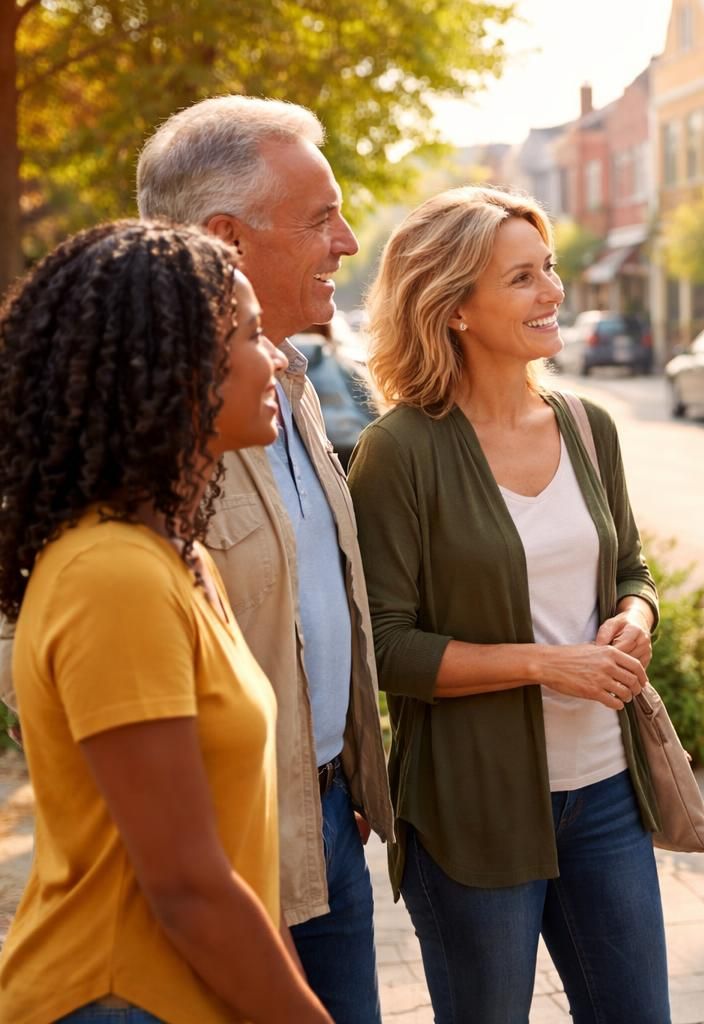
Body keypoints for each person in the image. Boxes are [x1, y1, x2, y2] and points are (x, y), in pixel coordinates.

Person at [347, 185, 669, 1022]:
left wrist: (635, 618)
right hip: (472, 809)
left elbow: (631, 569)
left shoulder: (588, 426)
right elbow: (384, 648)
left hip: (606, 792)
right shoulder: (398, 451)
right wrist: (546, 665)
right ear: (454, 307)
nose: (553, 291)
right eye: (522, 278)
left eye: (549, 268)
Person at [0, 222, 329, 1022]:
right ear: (173, 367)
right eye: (250, 335)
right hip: (117, 997)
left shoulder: (177, 555)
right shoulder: (113, 576)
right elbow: (185, 887)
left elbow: (227, 865)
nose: (277, 358)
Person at [135, 96, 394, 1019]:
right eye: (322, 218)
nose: (348, 243)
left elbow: (317, 603)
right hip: (219, 855)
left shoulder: (294, 385)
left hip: (326, 822)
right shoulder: (137, 430)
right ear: (227, 241)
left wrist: (339, 772)